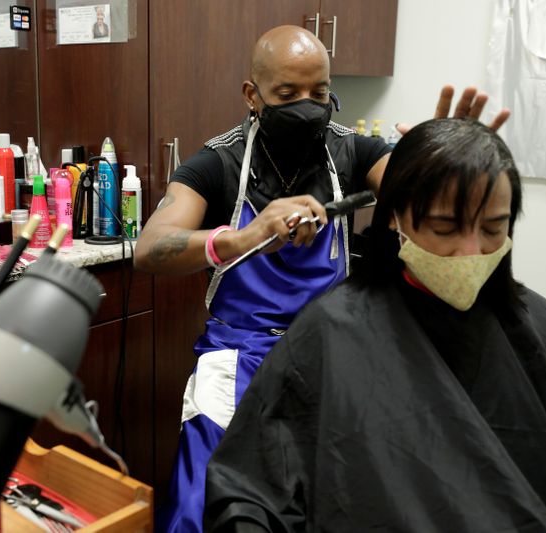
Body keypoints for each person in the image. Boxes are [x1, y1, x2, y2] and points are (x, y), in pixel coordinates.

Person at [133, 24, 510, 532]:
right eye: (288, 94)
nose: (307, 105)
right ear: (253, 94)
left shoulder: (351, 152)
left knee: (334, 496)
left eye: (320, 92)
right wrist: (245, 237)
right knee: (206, 499)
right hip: (238, 356)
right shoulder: (218, 162)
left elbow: (419, 195)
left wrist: (445, 162)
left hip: (330, 349)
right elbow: (150, 248)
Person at [204, 118, 546, 532]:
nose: (470, 252)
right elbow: (250, 493)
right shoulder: (332, 331)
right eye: (445, 227)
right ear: (396, 217)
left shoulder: (540, 327)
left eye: (493, 228)